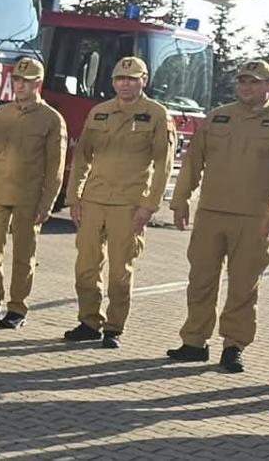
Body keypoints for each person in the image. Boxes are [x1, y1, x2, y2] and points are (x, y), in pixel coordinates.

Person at [166, 60, 269, 373]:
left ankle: (234, 346)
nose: (247, 87)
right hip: (211, 214)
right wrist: (180, 201)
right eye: (243, 81)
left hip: (255, 219)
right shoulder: (218, 116)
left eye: (255, 82)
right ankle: (194, 342)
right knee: (200, 280)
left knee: (243, 285)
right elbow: (192, 163)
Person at [62, 56, 176, 350]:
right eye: (119, 79)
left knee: (120, 271)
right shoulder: (99, 112)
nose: (125, 84)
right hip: (93, 200)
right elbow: (82, 157)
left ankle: (114, 327)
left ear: (144, 81)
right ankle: (88, 321)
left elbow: (164, 164)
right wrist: (74, 197)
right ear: (113, 82)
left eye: (132, 78)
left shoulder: (157, 115)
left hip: (129, 204)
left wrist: (149, 205)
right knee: (85, 266)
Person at [0, 57, 66, 329]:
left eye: (26, 81)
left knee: (24, 254)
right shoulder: (1, 114)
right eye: (16, 80)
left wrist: (47, 203)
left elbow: (55, 166)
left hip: (28, 197)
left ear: (39, 83)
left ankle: (17, 308)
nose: (20, 85)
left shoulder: (51, 119)